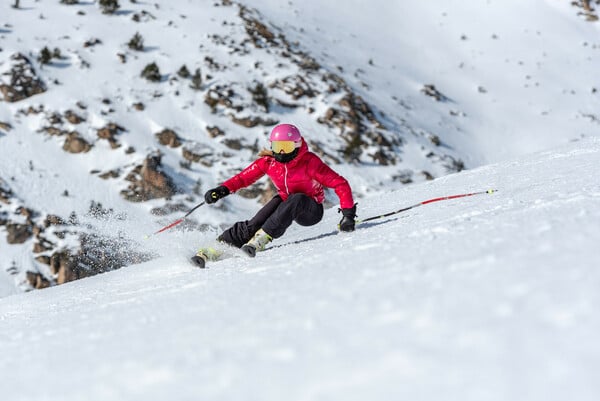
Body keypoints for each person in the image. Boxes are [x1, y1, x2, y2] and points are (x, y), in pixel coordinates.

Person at [195, 123, 357, 264]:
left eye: (286, 147)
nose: (280, 152)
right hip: (286, 201)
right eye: (276, 146)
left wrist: (348, 215)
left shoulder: (309, 162)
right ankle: (216, 248)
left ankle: (262, 238)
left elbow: (340, 183)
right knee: (256, 221)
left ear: (297, 145)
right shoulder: (269, 162)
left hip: (310, 209)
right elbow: (243, 178)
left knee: (297, 198)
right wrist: (221, 190)